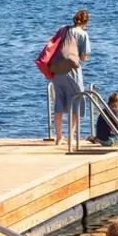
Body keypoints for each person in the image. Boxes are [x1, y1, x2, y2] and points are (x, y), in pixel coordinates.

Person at [47, 9, 90, 147]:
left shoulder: (63, 29)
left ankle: (58, 137)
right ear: (85, 22)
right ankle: (71, 136)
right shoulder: (83, 34)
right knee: (76, 101)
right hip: (73, 72)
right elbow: (83, 57)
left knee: (58, 102)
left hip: (57, 71)